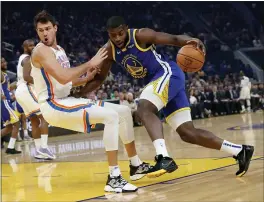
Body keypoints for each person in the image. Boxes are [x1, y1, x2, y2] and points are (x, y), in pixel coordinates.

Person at [79, 16, 254, 178]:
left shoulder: (140, 35)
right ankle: (239, 151)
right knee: (187, 133)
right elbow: (100, 79)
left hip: (167, 74)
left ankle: (163, 157)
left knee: (144, 108)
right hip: (162, 83)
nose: (117, 38)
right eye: (112, 35)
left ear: (126, 29)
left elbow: (173, 39)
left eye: (120, 33)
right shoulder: (109, 51)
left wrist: (193, 41)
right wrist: (79, 93)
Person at [30, 10, 152, 193]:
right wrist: (90, 63)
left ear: (55, 28)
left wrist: (87, 77)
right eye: (40, 30)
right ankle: (114, 177)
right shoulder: (41, 51)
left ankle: (135, 165)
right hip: (53, 104)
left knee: (124, 112)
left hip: (65, 99)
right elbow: (63, 77)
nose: (45, 33)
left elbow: (67, 81)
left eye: (47, 28)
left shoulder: (59, 51)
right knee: (111, 117)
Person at [15, 39, 55, 159]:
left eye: (33, 45)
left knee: (34, 121)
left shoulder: (23, 58)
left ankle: (39, 151)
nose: (32, 47)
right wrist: (42, 83)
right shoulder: (27, 58)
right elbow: (27, 77)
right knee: (44, 116)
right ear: (24, 47)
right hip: (26, 88)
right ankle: (44, 148)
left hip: (20, 91)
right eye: (29, 45)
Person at [1, 57, 21, 154]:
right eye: (2, 62)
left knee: (9, 128)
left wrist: (18, 83)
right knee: (17, 123)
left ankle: (10, 147)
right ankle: (10, 147)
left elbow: (7, 88)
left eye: (4, 61)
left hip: (7, 102)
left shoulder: (4, 74)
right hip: (5, 103)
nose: (5, 63)